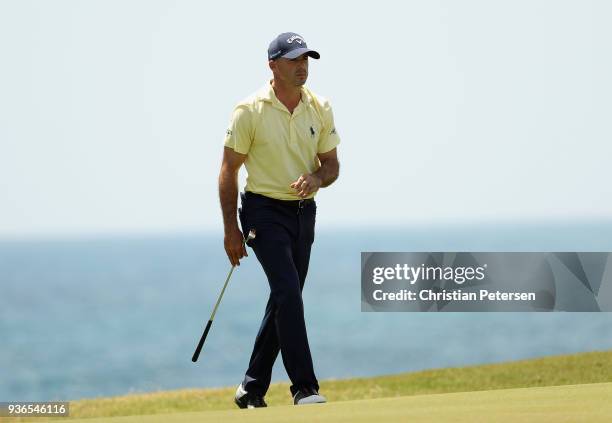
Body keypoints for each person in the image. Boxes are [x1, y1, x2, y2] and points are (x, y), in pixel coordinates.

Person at [218, 32, 341, 408]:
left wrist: (316, 178)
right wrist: (231, 231)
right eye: (293, 60)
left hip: (304, 214)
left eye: (306, 59)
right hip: (263, 212)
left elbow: (332, 165)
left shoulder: (319, 107)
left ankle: (251, 389)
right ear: (273, 65)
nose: (302, 66)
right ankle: (304, 387)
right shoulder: (249, 110)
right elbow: (228, 171)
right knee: (288, 292)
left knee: (284, 298)